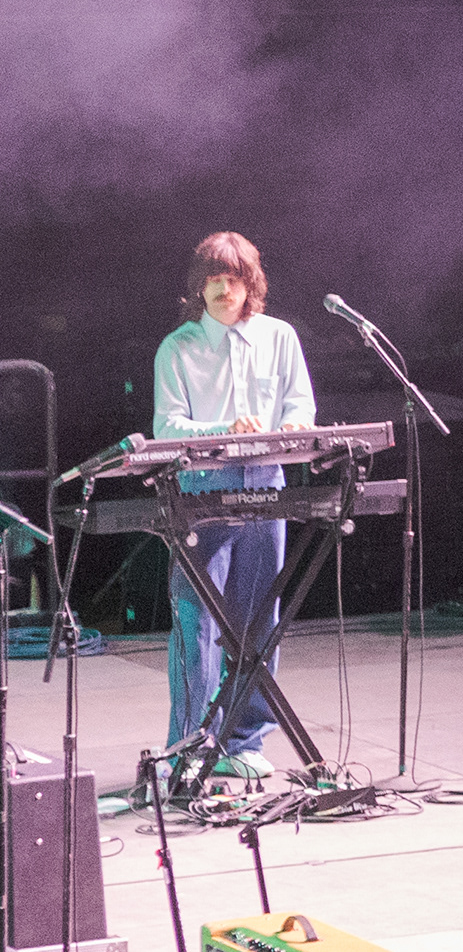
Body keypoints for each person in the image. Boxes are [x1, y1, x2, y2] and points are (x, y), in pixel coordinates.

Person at [151, 230, 316, 779]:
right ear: (199, 287)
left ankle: (244, 742)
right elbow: (166, 426)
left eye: (235, 279)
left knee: (259, 619)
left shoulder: (280, 336)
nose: (226, 290)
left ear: (251, 284)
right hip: (203, 487)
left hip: (267, 482)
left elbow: (299, 404)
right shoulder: (177, 348)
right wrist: (225, 428)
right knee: (196, 622)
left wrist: (294, 427)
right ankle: (189, 747)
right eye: (215, 280)